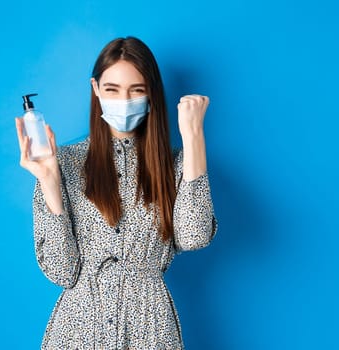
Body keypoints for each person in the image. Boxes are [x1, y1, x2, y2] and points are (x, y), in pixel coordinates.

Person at [15, 36, 218, 349]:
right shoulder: (64, 163)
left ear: (151, 93)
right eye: (112, 89)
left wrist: (193, 138)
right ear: (96, 90)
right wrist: (49, 182)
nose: (124, 100)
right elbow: (61, 271)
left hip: (150, 330)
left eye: (136, 90)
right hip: (78, 331)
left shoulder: (176, 165)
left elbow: (194, 236)